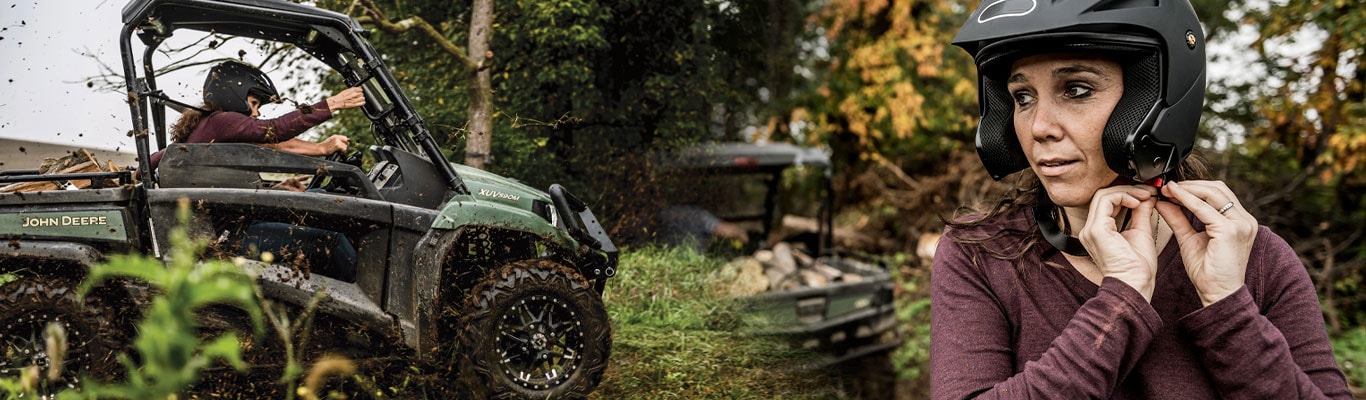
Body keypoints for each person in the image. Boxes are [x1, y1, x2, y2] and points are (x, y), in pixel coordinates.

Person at [930, 1, 1350, 399]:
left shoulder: (1254, 257)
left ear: (1152, 101)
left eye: (1076, 90)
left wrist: (1228, 308)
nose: (1039, 127)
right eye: (1022, 97)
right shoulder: (982, 255)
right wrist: (1120, 301)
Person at [154, 60, 367, 279]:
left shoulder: (206, 129)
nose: (256, 113)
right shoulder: (220, 121)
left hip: (233, 226)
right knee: (331, 242)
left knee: (321, 197)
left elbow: (274, 144)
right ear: (233, 94)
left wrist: (279, 186)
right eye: (254, 103)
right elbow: (273, 131)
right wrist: (333, 103)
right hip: (231, 237)